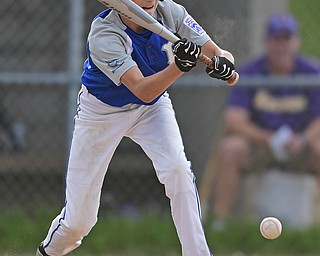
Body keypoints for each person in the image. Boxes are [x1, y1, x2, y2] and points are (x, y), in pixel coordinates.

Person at [36, 0, 237, 255]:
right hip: (101, 112)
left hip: (152, 108)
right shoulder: (105, 33)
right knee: (79, 223)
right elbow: (142, 89)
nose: (150, 0)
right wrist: (179, 66)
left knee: (177, 170)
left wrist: (224, 62)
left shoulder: (170, 12)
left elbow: (217, 51)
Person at [199, 13, 320, 228]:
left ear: (296, 42)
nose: (281, 47)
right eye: (276, 40)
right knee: (230, 148)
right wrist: (268, 138)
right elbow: (234, 120)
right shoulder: (250, 72)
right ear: (266, 42)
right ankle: (220, 225)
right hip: (261, 145)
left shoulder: (312, 73)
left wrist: (302, 140)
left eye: (286, 40)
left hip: (300, 146)